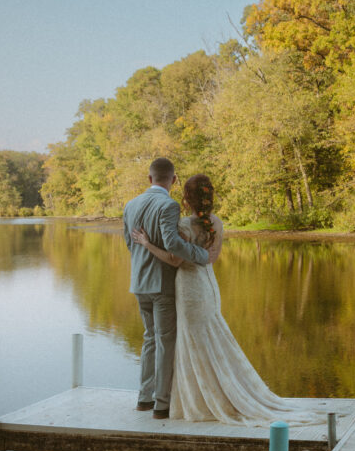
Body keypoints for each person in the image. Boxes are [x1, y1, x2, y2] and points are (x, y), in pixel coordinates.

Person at [130, 174, 325, 426]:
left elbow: (174, 260)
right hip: (208, 285)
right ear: (209, 198)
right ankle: (221, 390)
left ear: (186, 199)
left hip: (189, 288)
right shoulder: (218, 224)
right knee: (211, 337)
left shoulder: (184, 226)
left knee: (193, 341)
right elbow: (211, 259)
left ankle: (200, 397)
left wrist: (146, 243)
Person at [122, 157, 212, 419]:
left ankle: (144, 397)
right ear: (173, 180)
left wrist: (144, 257)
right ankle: (162, 404)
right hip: (161, 281)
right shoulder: (169, 205)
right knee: (165, 341)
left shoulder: (131, 204)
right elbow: (173, 244)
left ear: (150, 178)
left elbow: (129, 243)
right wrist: (201, 255)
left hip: (139, 282)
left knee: (149, 338)